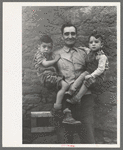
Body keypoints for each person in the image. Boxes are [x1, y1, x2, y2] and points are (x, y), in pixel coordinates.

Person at [52, 23, 96, 143]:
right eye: (66, 34)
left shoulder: (85, 52)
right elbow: (49, 75)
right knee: (66, 139)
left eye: (73, 33)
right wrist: (60, 83)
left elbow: (93, 70)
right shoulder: (56, 55)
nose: (70, 36)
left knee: (88, 136)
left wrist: (92, 79)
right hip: (66, 101)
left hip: (85, 99)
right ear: (62, 36)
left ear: (76, 35)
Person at [33, 34, 80, 124]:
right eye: (44, 46)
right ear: (38, 47)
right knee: (65, 85)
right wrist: (56, 59)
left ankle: (65, 110)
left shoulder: (47, 54)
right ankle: (57, 108)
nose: (47, 49)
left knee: (65, 87)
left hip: (51, 76)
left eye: (49, 47)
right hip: (46, 77)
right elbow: (45, 64)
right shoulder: (39, 55)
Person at [66, 31, 109, 104]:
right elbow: (86, 49)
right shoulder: (90, 51)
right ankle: (72, 89)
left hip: (97, 77)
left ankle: (77, 98)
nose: (93, 44)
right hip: (89, 73)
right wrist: (80, 48)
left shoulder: (102, 57)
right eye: (91, 42)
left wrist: (91, 75)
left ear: (101, 45)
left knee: (87, 81)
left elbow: (100, 69)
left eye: (96, 42)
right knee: (83, 74)